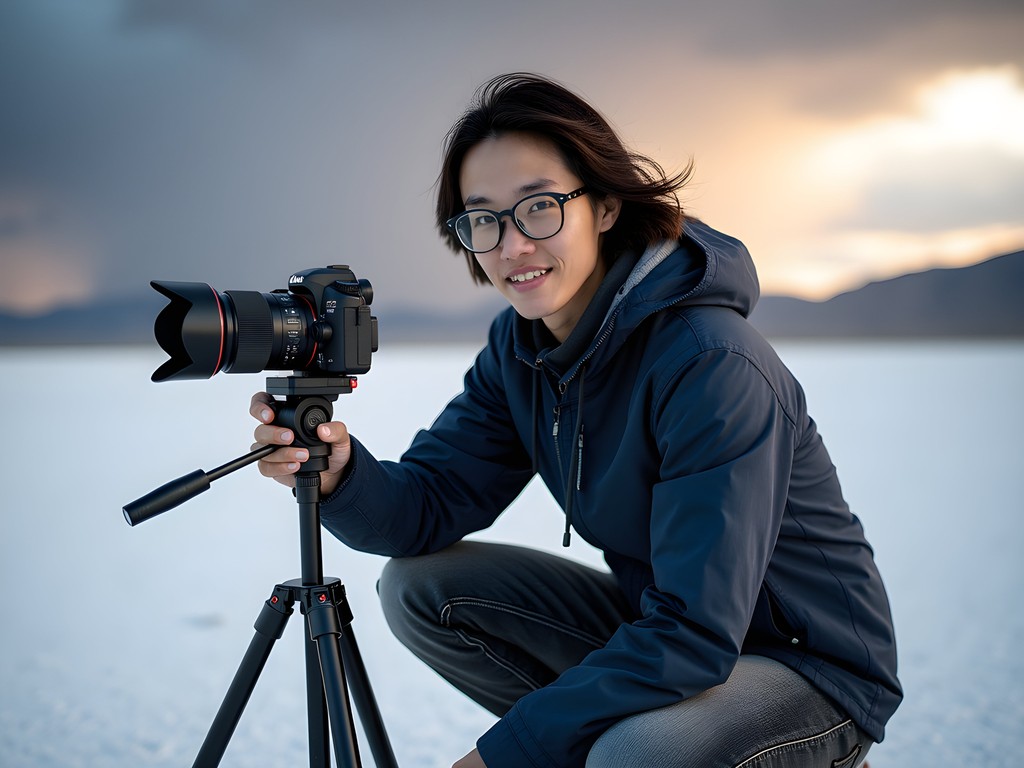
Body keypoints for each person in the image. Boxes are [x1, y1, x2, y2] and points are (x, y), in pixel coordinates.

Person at [250, 73, 901, 768]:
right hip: (667, 625)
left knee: (637, 755)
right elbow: (429, 504)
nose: (512, 246)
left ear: (607, 207)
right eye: (484, 220)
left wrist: (500, 758)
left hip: (807, 667)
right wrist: (342, 474)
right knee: (419, 589)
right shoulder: (523, 350)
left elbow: (697, 631)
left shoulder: (711, 364)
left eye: (539, 207)